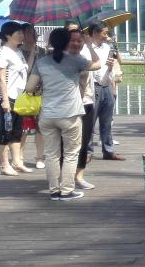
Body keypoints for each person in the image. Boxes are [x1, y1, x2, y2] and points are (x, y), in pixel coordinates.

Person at [25, 28, 91, 200]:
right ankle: (67, 190)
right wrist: (88, 44)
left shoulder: (42, 62)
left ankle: (54, 191)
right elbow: (97, 64)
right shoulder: (77, 60)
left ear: (51, 42)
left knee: (51, 154)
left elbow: (29, 88)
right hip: (70, 114)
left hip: (47, 115)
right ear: (67, 42)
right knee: (70, 154)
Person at [66, 21, 100, 189]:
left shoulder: (84, 56)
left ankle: (79, 175)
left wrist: (89, 45)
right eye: (72, 40)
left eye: (79, 40)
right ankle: (65, 177)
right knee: (68, 143)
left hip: (87, 103)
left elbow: (98, 63)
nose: (76, 43)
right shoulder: (63, 59)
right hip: (69, 106)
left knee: (84, 141)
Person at [0, 21, 31, 175]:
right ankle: (4, 165)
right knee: (5, 130)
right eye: (18, 33)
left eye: (22, 32)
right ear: (8, 35)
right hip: (7, 97)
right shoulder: (2, 52)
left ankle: (16, 162)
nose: (22, 35)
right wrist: (5, 100)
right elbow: (2, 78)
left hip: (19, 97)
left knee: (17, 130)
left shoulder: (18, 51)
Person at [88, 23, 125, 161]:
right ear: (95, 33)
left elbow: (112, 67)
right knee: (90, 121)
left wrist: (110, 72)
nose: (106, 36)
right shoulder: (86, 48)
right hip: (93, 86)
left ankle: (108, 150)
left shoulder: (107, 47)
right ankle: (87, 152)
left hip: (107, 84)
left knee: (107, 120)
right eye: (104, 33)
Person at [19, 23, 47, 169]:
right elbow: (25, 72)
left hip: (41, 93)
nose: (34, 35)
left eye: (34, 32)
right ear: (23, 35)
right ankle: (19, 157)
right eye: (30, 32)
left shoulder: (43, 52)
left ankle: (40, 157)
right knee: (23, 127)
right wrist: (32, 54)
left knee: (41, 126)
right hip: (24, 94)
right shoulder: (18, 52)